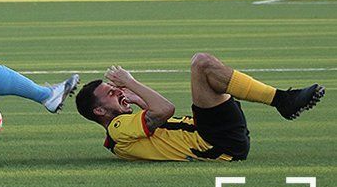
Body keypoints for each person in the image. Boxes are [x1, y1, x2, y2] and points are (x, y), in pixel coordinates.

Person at [74, 53, 325, 161]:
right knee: (202, 64)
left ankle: (283, 100)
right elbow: (165, 109)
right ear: (99, 111)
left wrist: (139, 100)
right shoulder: (117, 128)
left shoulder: (125, 130)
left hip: (217, 136)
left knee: (211, 75)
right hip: (213, 140)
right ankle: (283, 101)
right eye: (110, 93)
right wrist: (131, 82)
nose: (118, 91)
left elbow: (158, 118)